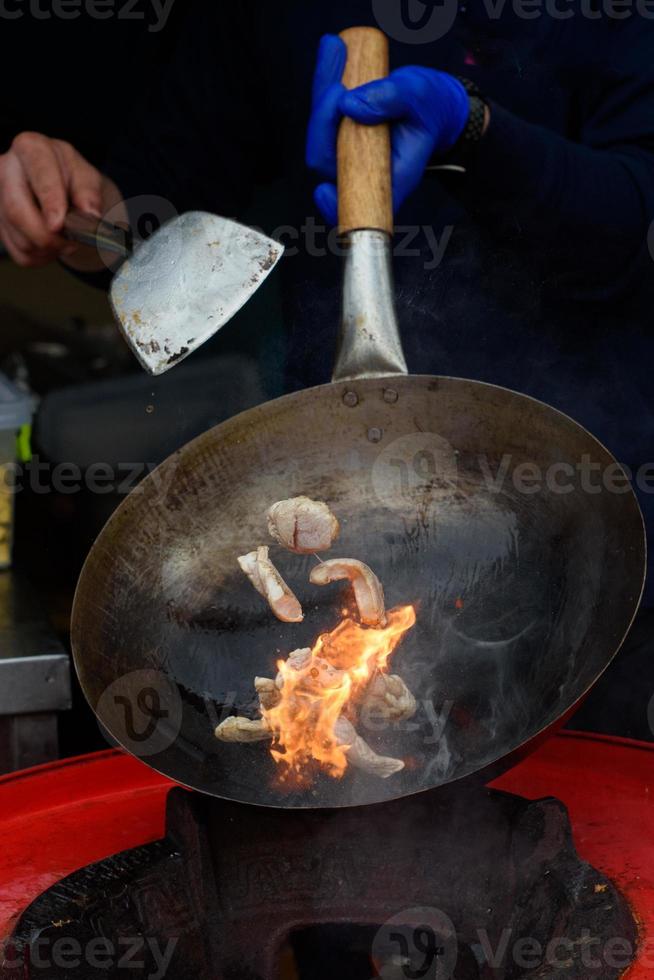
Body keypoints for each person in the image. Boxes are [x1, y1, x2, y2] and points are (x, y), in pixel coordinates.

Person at [1, 0, 653, 732]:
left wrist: (476, 131)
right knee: (338, 762)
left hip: (582, 526)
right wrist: (67, 206)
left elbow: (636, 219)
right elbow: (149, 214)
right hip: (344, 502)